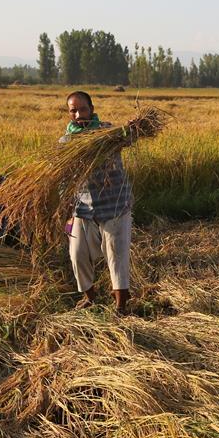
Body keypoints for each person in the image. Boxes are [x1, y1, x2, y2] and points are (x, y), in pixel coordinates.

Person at [60, 91, 133, 312]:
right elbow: (63, 177)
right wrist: (64, 204)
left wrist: (133, 129)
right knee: (77, 253)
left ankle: (121, 305)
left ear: (91, 109)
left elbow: (127, 138)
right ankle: (90, 296)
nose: (78, 114)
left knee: (116, 253)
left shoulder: (106, 132)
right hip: (82, 206)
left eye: (82, 109)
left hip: (114, 204)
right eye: (73, 110)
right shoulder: (66, 142)